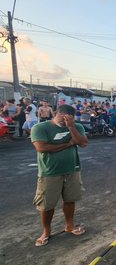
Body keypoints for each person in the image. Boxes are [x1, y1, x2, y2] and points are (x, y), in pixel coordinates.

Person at [30, 104, 88, 247]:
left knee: (70, 200)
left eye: (67, 120)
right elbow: (41, 148)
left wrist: (71, 127)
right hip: (49, 172)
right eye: (62, 120)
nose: (64, 123)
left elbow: (83, 143)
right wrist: (68, 144)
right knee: (46, 205)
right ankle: (46, 231)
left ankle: (69, 226)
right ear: (55, 113)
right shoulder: (40, 128)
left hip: (72, 170)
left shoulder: (76, 126)